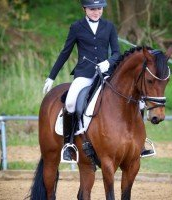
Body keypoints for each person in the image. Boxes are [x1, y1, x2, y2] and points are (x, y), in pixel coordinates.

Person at [43, 0, 120, 162]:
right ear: (84, 9)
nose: (96, 12)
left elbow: (117, 53)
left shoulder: (109, 26)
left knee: (136, 98)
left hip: (106, 74)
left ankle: (139, 142)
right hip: (85, 74)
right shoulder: (76, 27)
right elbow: (65, 53)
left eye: (99, 9)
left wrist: (108, 62)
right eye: (92, 9)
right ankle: (69, 144)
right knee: (70, 102)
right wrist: (51, 76)